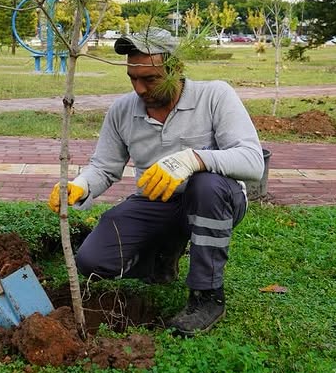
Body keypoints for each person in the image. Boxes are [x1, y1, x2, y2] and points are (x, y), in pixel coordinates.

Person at [48, 27, 265, 336]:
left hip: (215, 200)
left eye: (149, 79)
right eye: (133, 79)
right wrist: (80, 184)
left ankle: (207, 296)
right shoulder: (123, 111)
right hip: (155, 202)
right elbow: (105, 167)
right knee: (92, 260)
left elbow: (252, 161)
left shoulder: (215, 96)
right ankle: (162, 259)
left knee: (206, 186)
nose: (139, 89)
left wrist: (193, 159)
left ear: (174, 70)